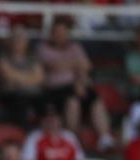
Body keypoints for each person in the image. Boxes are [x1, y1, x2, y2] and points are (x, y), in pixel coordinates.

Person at [38, 19, 114, 150]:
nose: (61, 36)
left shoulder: (75, 47)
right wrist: (75, 64)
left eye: (63, 32)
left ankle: (105, 137)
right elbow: (55, 65)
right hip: (56, 90)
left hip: (77, 85)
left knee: (95, 100)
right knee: (73, 102)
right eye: (58, 33)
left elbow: (87, 66)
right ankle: (73, 139)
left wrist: (79, 81)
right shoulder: (44, 48)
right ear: (52, 34)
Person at [0, 26, 44, 126]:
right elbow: (8, 76)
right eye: (16, 39)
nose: (18, 42)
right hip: (12, 95)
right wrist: (29, 77)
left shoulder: (33, 58)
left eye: (21, 39)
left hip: (33, 94)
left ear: (27, 42)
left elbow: (39, 78)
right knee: (21, 102)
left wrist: (17, 77)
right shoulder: (3, 58)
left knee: (48, 103)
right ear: (10, 42)